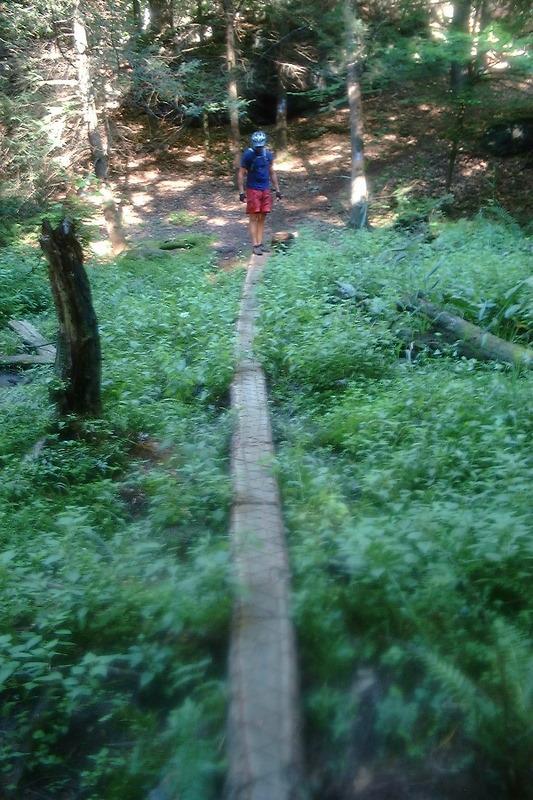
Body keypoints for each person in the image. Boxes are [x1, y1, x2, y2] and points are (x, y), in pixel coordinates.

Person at [238, 131, 282, 256]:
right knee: (253, 217)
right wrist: (241, 192)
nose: (259, 148)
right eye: (257, 146)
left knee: (262, 217)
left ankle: (260, 243)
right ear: (253, 144)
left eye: (261, 146)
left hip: (265, 189)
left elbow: (272, 172)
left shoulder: (268, 155)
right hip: (253, 190)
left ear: (264, 144)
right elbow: (241, 173)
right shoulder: (248, 155)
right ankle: (255, 245)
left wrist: (277, 190)